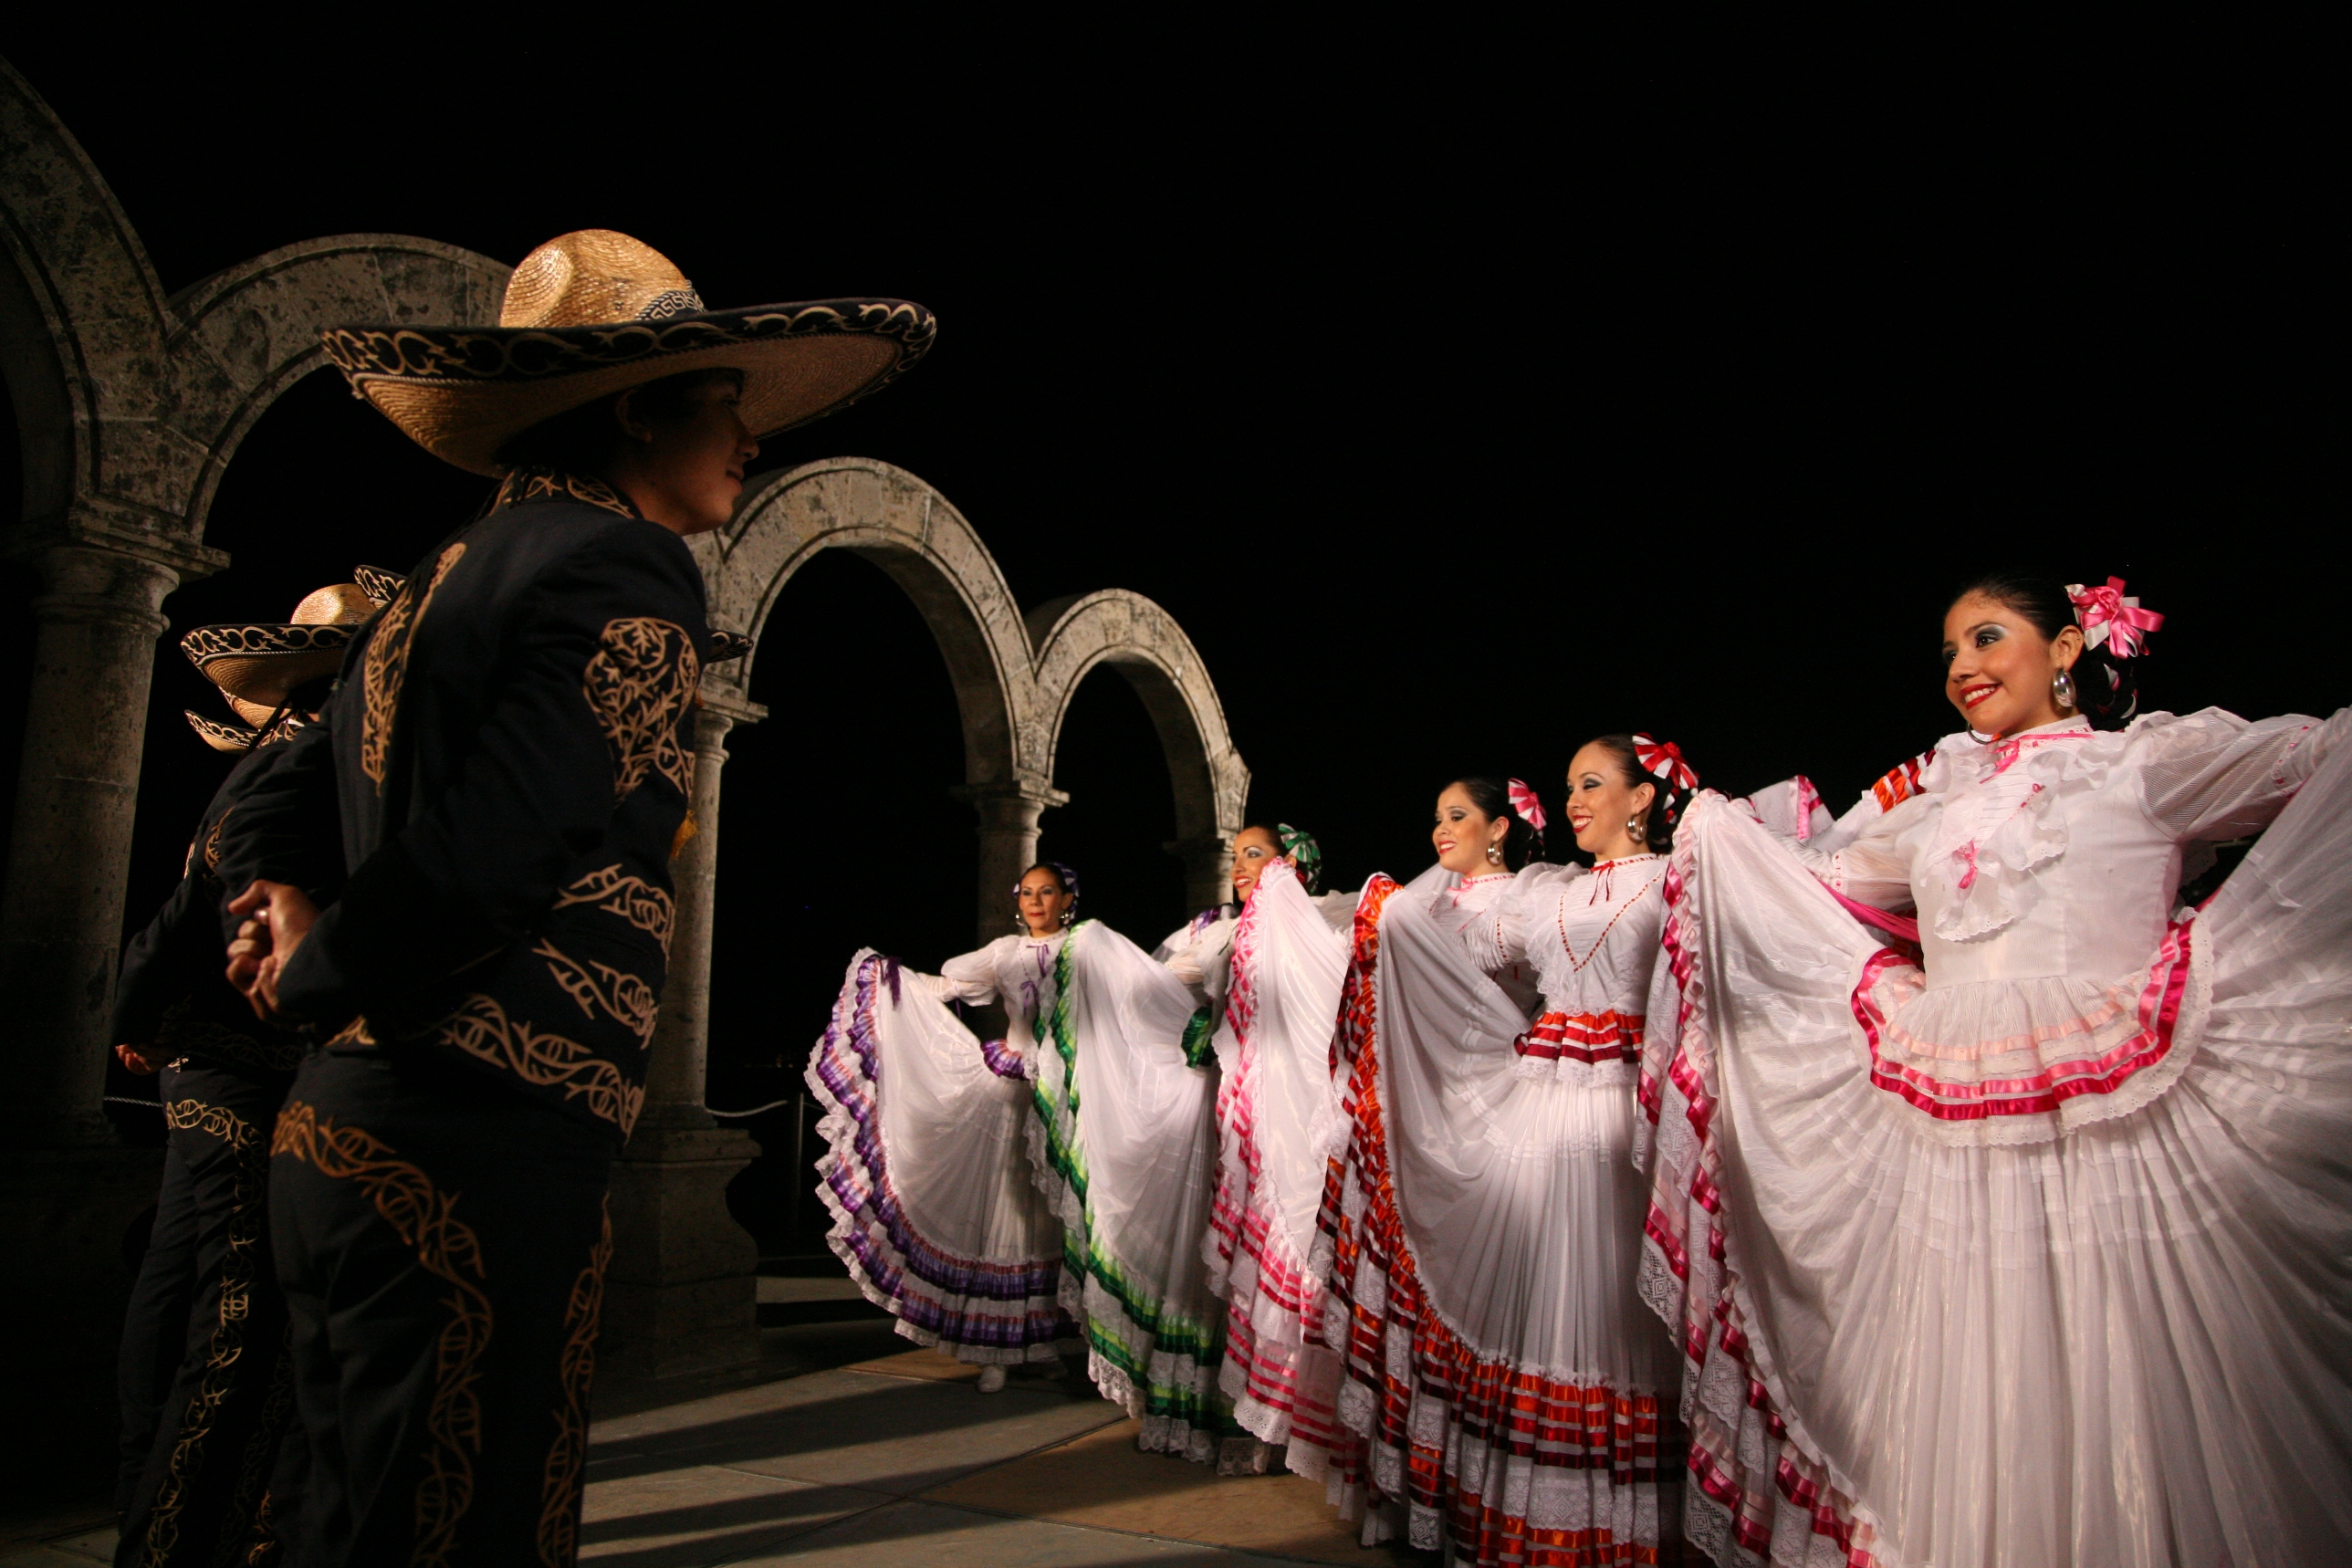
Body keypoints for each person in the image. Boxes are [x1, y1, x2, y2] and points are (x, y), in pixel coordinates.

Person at [219, 230, 932, 1563]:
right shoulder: (619, 563)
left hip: (340, 1128)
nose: (752, 440)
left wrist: (288, 919)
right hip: (474, 1133)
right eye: (724, 403)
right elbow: (506, 840)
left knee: (338, 1520)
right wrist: (314, 963)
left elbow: (286, 801)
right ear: (638, 408)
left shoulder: (435, 579)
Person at [1637, 574, 2351, 1567]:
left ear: (2064, 648)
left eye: (1984, 638)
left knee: (2109, 1372)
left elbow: (2317, 758)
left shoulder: (2139, 764)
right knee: (1971, 1374)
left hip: (2100, 1120)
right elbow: (1817, 883)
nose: (1962, 667)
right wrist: (1721, 839)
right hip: (1947, 1125)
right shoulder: (1943, 798)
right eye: (1948, 652)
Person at [1316, 768, 1677, 1563]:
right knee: (1546, 1286)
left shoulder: (1672, 879)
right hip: (1540, 1104)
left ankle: (1623, 1523)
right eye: (1569, 785)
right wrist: (1381, 917)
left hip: (1624, 1112)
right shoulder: (1548, 892)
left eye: (1593, 783)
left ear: (1642, 797)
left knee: (1610, 1300)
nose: (1575, 799)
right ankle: (1535, 1520)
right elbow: (1462, 948)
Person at [108, 578, 380, 1565]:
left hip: (214, 1057)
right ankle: (182, 1532)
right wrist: (143, 1008)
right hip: (236, 1067)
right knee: (239, 1312)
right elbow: (206, 897)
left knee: (182, 1277)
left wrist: (142, 1012)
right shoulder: (304, 759)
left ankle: (155, 1496)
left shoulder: (297, 756)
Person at [806, 864, 1078, 1392]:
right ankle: (996, 1349)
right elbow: (950, 986)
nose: (1035, 901)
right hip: (1010, 1087)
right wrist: (895, 981)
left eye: (1047, 892)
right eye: (1026, 892)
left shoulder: (1084, 950)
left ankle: (1039, 1343)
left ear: (1067, 899)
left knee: (1048, 1217)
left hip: (1063, 1090)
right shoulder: (1005, 952)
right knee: (1006, 1206)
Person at [1195, 823, 1359, 1476]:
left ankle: (1306, 1420)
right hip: (1248, 1120)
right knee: (1258, 1250)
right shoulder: (1227, 932)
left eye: (1254, 855)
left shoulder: (1323, 922)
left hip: (1297, 1117)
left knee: (1295, 1250)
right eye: (1235, 856)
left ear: (1291, 864)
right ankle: (1260, 1414)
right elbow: (1167, 977)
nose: (1240, 867)